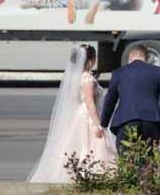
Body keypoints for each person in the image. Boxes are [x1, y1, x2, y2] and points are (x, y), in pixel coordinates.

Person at [28, 45, 116, 183]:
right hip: (86, 116)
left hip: (76, 115)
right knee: (92, 145)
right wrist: (99, 125)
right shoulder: (87, 79)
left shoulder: (73, 78)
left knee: (73, 145)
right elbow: (90, 104)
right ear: (91, 61)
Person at [100, 45, 160, 153]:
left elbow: (110, 100)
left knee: (127, 159)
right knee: (148, 161)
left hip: (126, 121)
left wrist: (103, 123)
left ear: (130, 57)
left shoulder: (118, 73)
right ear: (146, 58)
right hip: (151, 122)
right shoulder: (157, 71)